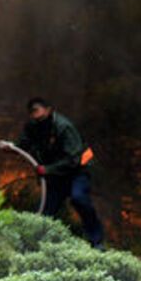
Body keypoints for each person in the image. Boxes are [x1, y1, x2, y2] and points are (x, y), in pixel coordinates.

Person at [18, 97, 104, 247]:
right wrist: (10, 146)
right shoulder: (33, 126)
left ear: (48, 109)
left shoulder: (64, 127)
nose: (35, 115)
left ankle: (97, 242)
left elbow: (74, 159)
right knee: (46, 211)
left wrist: (48, 169)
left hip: (77, 172)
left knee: (79, 198)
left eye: (37, 110)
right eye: (32, 112)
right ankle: (35, 246)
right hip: (56, 176)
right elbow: (23, 144)